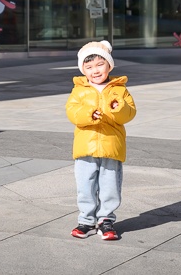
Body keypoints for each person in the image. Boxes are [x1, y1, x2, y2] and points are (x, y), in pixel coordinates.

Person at [65, 40, 136, 241]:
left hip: (111, 145)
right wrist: (88, 113)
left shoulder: (119, 89)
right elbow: (72, 112)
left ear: (109, 65)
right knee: (85, 184)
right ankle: (86, 220)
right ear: (83, 70)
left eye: (99, 64)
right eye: (88, 67)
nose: (95, 70)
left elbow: (129, 113)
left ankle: (106, 220)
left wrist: (117, 107)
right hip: (85, 146)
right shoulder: (78, 90)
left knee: (110, 184)